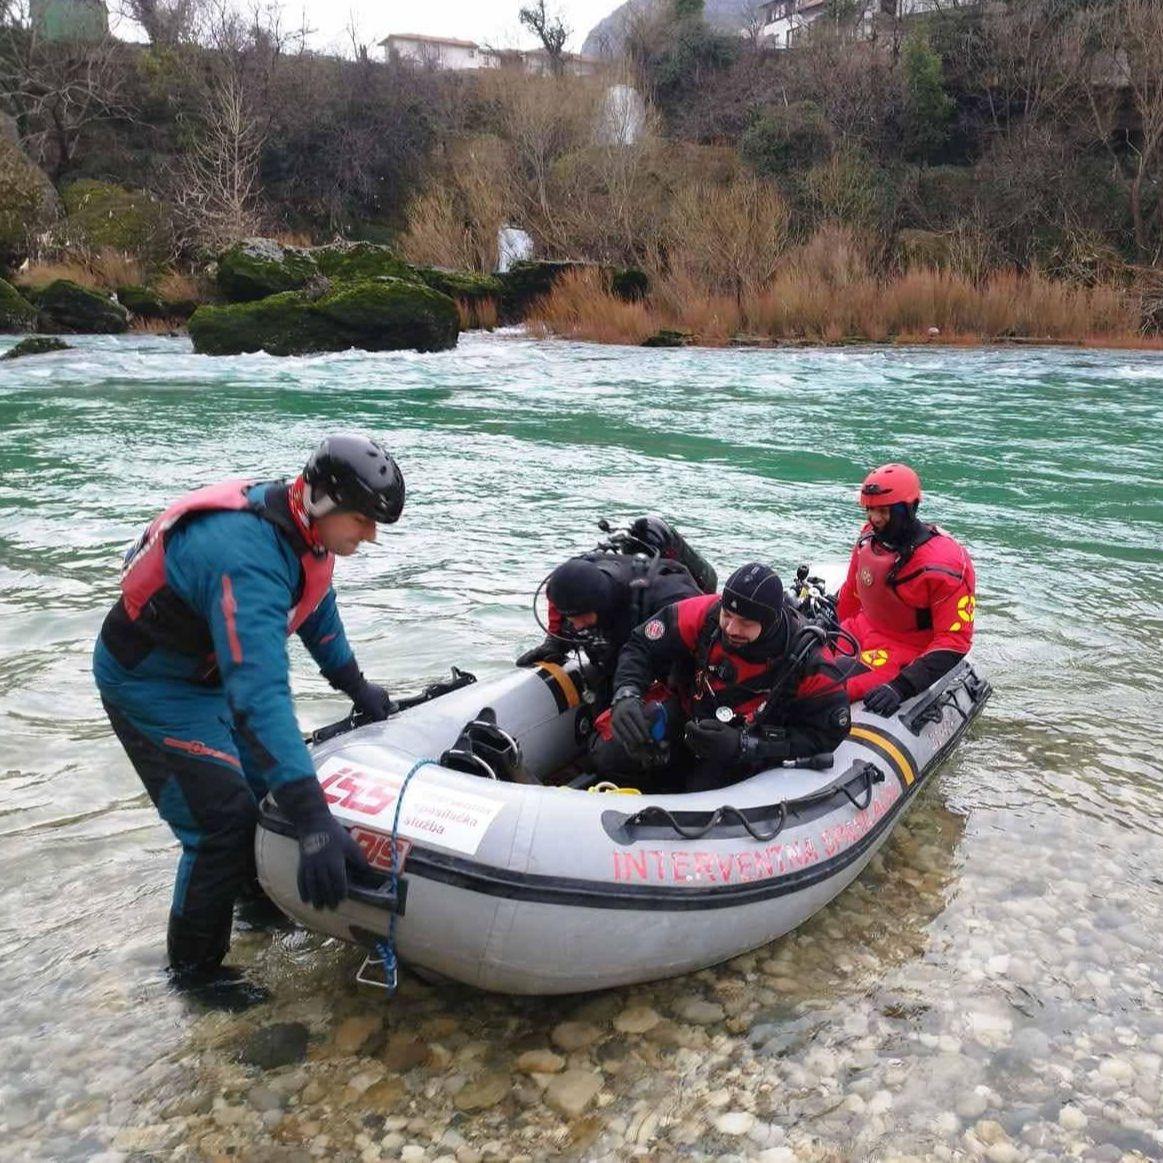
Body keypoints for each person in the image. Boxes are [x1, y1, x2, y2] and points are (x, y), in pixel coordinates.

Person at [92, 434, 404, 1010]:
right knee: (221, 825)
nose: (371, 535)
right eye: (363, 520)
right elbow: (259, 695)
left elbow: (316, 609)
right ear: (321, 500)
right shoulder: (245, 555)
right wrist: (315, 823)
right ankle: (193, 971)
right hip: (150, 685)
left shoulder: (306, 533)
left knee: (265, 797)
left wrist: (359, 688)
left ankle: (252, 904)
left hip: (205, 677)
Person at [595, 563, 851, 792]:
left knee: (702, 788)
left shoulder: (810, 661)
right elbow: (642, 644)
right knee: (610, 755)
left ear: (770, 622)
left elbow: (827, 734)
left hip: (750, 741)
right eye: (727, 615)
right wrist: (626, 693)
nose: (730, 628)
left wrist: (746, 745)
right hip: (690, 716)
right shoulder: (705, 614)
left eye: (745, 623)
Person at [837, 462, 976, 715]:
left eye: (883, 511)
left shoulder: (945, 564)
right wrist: (833, 633)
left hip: (903, 649)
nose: (874, 518)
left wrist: (900, 688)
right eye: (869, 510)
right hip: (859, 630)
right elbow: (851, 593)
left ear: (909, 508)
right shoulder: (867, 539)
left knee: (829, 689)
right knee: (797, 668)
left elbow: (954, 640)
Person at [515, 516, 712, 676]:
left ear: (599, 603)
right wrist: (555, 642)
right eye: (571, 618)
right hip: (622, 663)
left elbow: (707, 630)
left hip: (667, 663)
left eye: (581, 617)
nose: (577, 625)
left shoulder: (666, 595)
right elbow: (559, 597)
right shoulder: (575, 584)